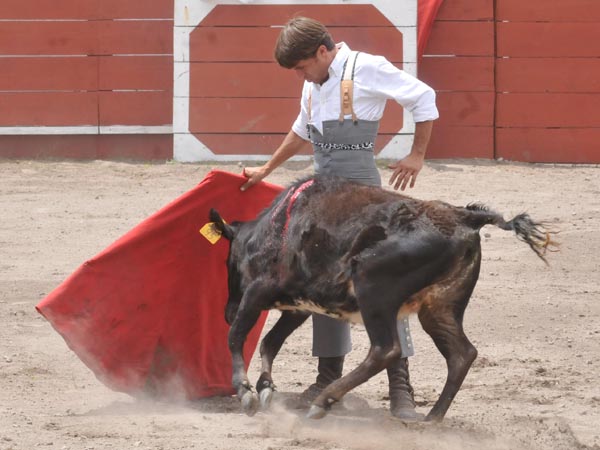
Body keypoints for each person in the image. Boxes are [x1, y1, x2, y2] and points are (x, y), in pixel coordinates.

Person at [240, 17, 439, 420]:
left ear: (322, 51)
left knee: (382, 284)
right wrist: (265, 170)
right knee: (319, 280)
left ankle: (399, 384)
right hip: (322, 197)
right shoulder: (312, 82)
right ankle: (327, 376)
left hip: (364, 195)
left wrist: (417, 154)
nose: (299, 75)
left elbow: (424, 97)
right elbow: (301, 132)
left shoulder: (366, 66)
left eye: (301, 66)